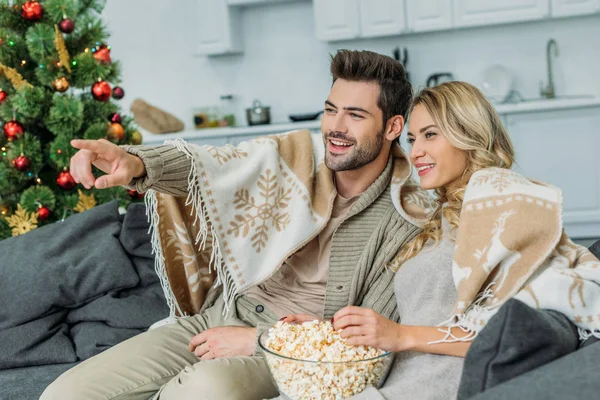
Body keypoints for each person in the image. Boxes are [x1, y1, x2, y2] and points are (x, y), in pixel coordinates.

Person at [41, 50, 431, 400]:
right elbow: (215, 165)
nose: (336, 127)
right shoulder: (295, 157)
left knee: (201, 391)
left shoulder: (408, 214)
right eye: (331, 110)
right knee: (66, 393)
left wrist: (260, 339)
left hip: (291, 351)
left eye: (356, 115)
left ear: (393, 127)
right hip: (224, 313)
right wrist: (138, 163)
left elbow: (368, 336)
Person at [280, 81, 600, 400]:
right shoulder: (444, 215)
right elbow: (424, 316)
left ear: (468, 134)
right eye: (412, 138)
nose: (415, 151)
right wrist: (332, 331)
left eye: (431, 134)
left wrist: (401, 335)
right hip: (394, 378)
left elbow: (506, 337)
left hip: (435, 386)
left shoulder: (500, 196)